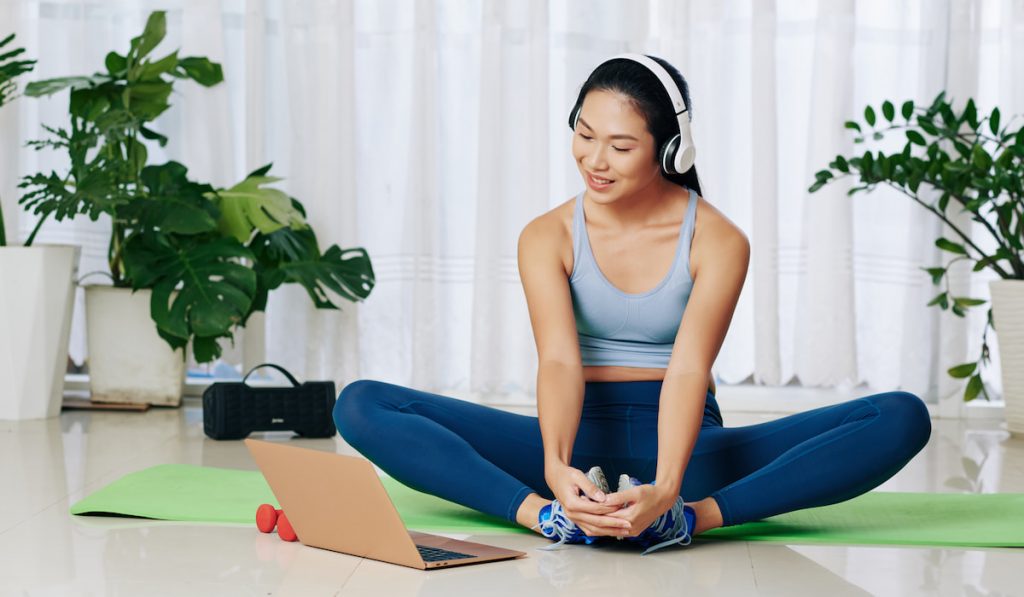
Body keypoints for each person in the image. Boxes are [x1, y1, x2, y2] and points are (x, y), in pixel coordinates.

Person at [333, 54, 932, 555]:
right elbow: (561, 362)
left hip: (685, 446)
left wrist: (670, 489)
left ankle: (691, 520)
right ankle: (548, 517)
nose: (595, 161)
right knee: (361, 405)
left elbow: (689, 369)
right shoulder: (547, 235)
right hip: (569, 438)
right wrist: (553, 468)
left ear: (669, 150)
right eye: (585, 136)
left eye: (620, 146)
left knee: (902, 416)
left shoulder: (718, 240)